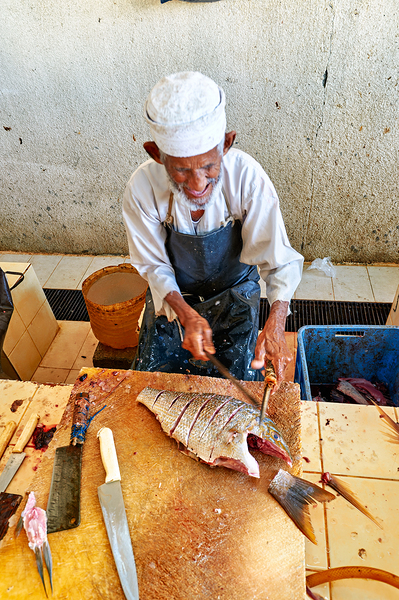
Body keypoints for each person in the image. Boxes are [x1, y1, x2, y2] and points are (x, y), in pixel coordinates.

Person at [122, 71, 303, 385]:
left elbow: (278, 258)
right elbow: (152, 263)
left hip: (235, 296)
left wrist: (275, 321)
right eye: (181, 169)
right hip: (173, 297)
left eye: (209, 166)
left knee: (239, 389)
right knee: (152, 386)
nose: (197, 184)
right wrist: (184, 311)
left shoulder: (247, 177)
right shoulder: (142, 187)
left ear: (227, 144)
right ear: (156, 154)